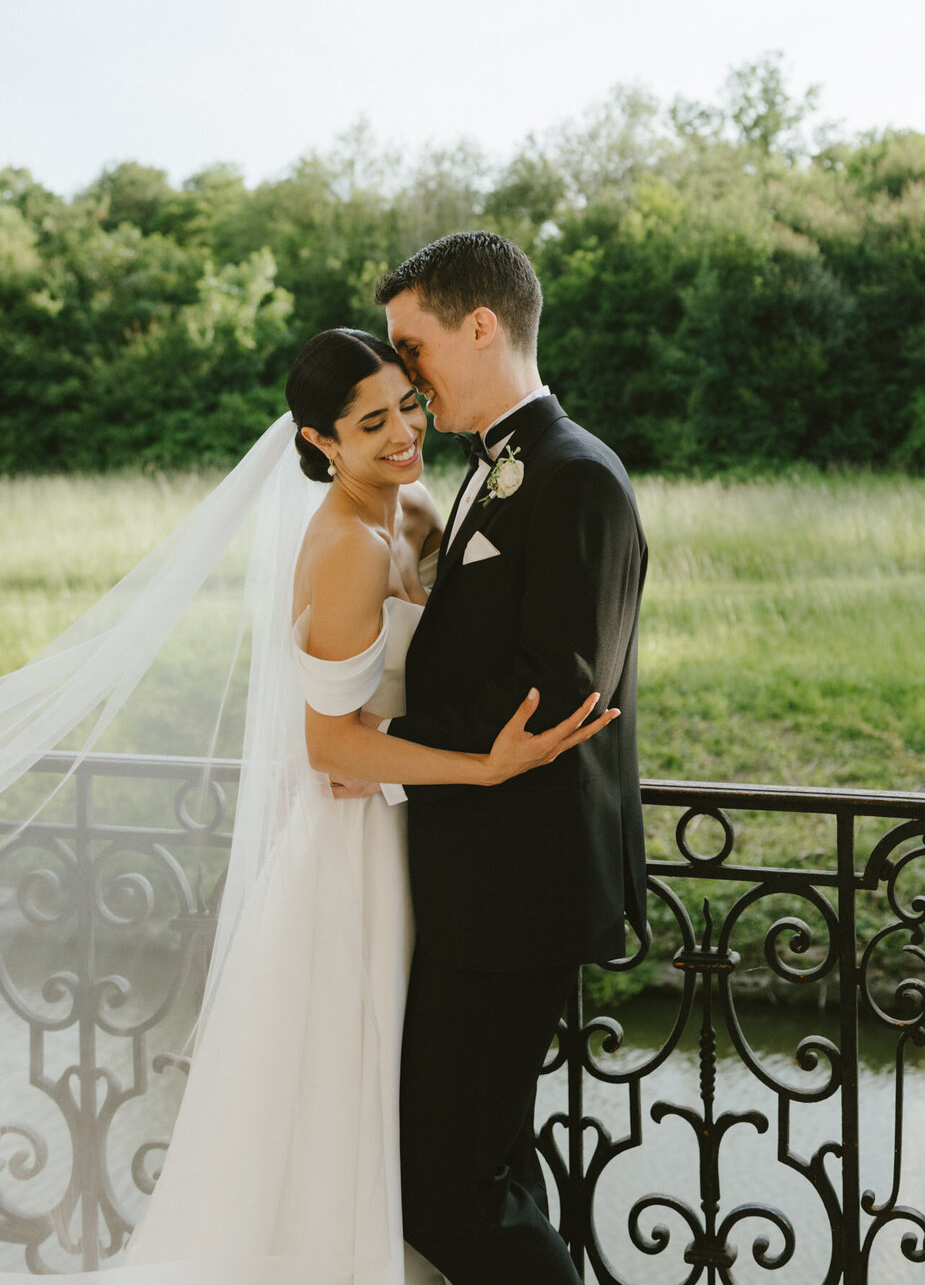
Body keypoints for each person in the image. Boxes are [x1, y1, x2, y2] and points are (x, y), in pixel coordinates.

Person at [0, 325, 616, 1285]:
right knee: (349, 1110)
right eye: (372, 423)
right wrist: (487, 770)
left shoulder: (417, 505)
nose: (405, 432)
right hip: (352, 850)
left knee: (435, 1125)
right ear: (321, 442)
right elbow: (329, 747)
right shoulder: (341, 547)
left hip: (420, 837)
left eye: (409, 404)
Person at [369, 230, 649, 1285]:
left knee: (445, 1186)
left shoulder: (577, 476)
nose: (405, 374)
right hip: (479, 878)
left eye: (414, 345)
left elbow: (557, 690)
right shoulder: (494, 470)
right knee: (483, 1168)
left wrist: (384, 746)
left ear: (480, 325)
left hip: (516, 885)